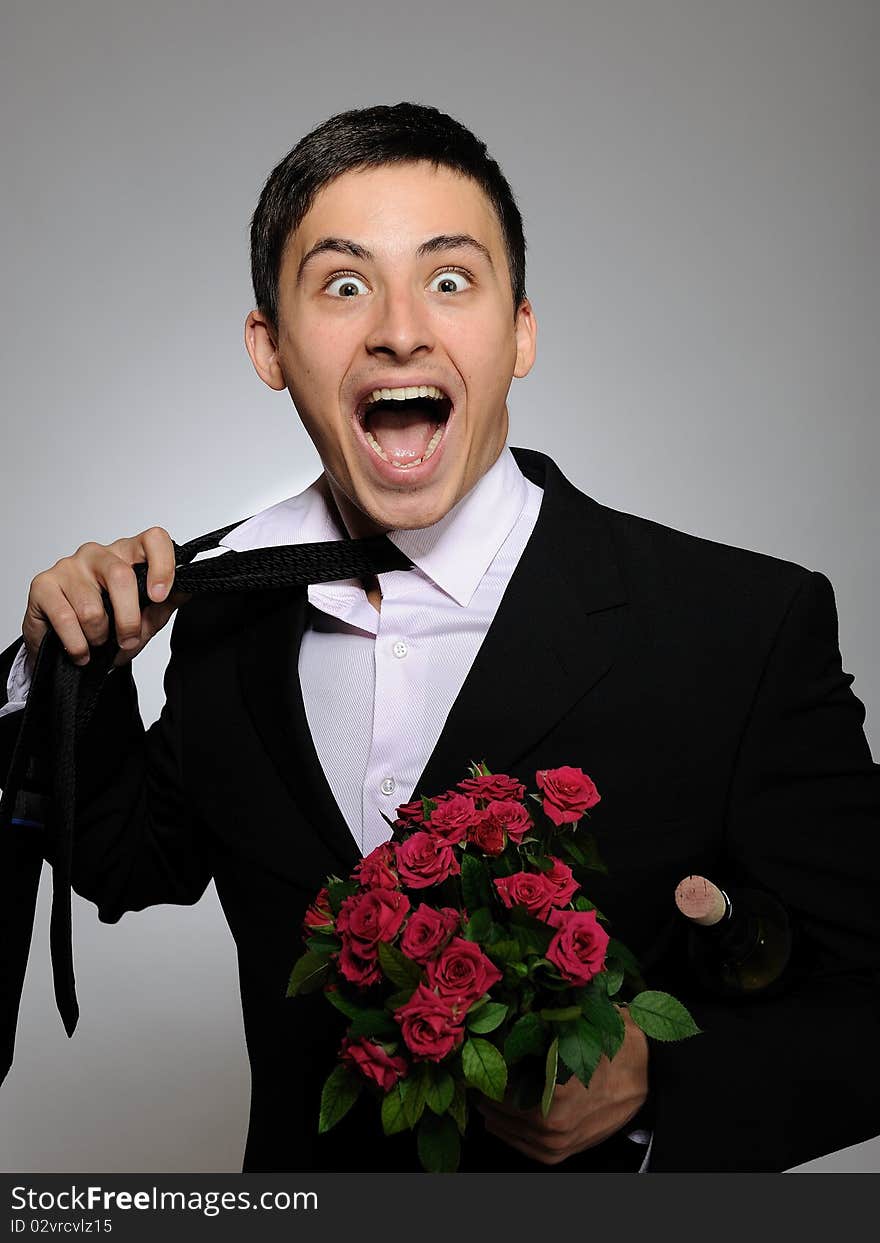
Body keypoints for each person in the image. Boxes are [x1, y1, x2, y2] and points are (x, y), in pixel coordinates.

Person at [1, 101, 878, 1174]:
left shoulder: (738, 627)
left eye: (450, 280)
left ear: (519, 332)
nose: (400, 328)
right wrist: (71, 672)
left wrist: (661, 1084)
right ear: (269, 347)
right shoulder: (226, 607)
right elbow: (136, 862)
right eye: (343, 284)